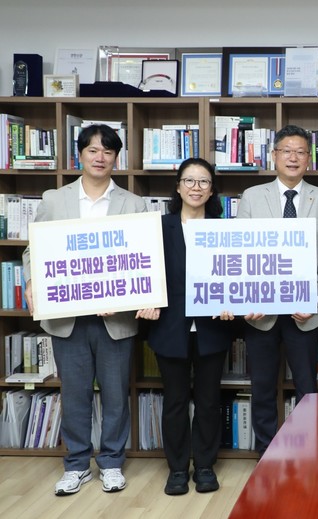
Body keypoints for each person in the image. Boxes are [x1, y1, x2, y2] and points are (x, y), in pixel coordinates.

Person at [22, 124, 147, 496]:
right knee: (75, 394)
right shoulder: (54, 199)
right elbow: (34, 249)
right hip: (68, 318)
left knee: (115, 396)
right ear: (79, 155)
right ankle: (76, 465)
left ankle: (111, 463)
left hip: (116, 319)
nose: (100, 157)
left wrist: (129, 296)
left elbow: (142, 257)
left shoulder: (133, 203)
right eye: (93, 150)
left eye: (108, 151)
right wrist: (31, 280)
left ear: (116, 158)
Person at [236, 125, 318, 456]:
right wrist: (249, 299)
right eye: (286, 151)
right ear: (274, 155)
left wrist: (316, 300)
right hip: (260, 313)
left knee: (307, 387)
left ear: (309, 158)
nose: (293, 157)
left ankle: (310, 450)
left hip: (305, 313)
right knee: (263, 386)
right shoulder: (252, 196)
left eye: (300, 152)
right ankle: (267, 452)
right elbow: (240, 252)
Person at [136, 158, 234, 495]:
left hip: (212, 328)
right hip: (169, 327)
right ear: (177, 187)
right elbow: (143, 270)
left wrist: (232, 302)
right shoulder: (157, 227)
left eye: (203, 181)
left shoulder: (224, 229)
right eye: (189, 180)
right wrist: (145, 299)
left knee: (208, 401)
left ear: (212, 190)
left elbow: (235, 274)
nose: (196, 187)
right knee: (175, 401)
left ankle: (204, 466)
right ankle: (177, 469)